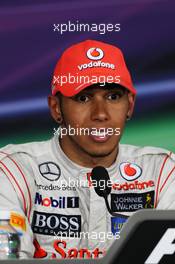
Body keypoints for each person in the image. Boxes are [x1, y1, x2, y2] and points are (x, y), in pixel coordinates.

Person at [0, 39, 175, 259]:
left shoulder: (163, 173)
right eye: (83, 98)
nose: (100, 113)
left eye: (113, 97)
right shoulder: (13, 171)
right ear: (56, 108)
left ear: (130, 105)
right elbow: (6, 258)